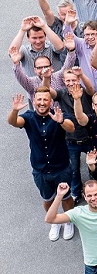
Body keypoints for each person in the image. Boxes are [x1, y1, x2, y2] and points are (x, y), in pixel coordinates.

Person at [8, 90, 75, 241]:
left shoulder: (59, 114)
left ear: (51, 102)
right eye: (39, 99)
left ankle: (68, 220)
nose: (42, 103)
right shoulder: (29, 117)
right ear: (34, 101)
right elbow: (13, 122)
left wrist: (61, 122)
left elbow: (71, 128)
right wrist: (14, 110)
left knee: (66, 197)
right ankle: (54, 221)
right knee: (47, 198)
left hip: (61, 168)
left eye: (45, 99)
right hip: (40, 170)